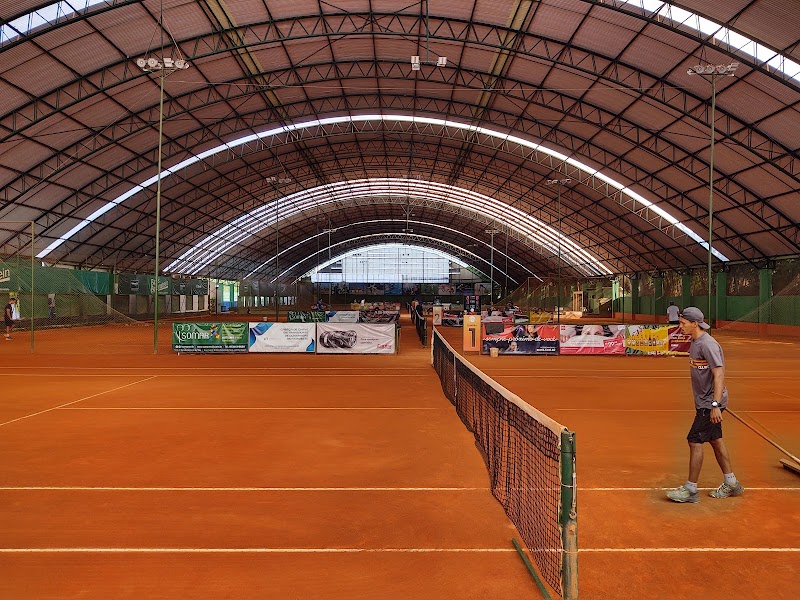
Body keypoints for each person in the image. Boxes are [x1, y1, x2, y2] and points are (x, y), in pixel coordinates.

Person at [666, 307, 744, 503]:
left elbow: (719, 374)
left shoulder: (708, 345)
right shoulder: (695, 341)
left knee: (694, 440)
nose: (680, 326)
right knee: (715, 439)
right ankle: (732, 483)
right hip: (706, 401)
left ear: (695, 324)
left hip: (709, 404)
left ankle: (691, 490)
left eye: (683, 323)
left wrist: (716, 405)